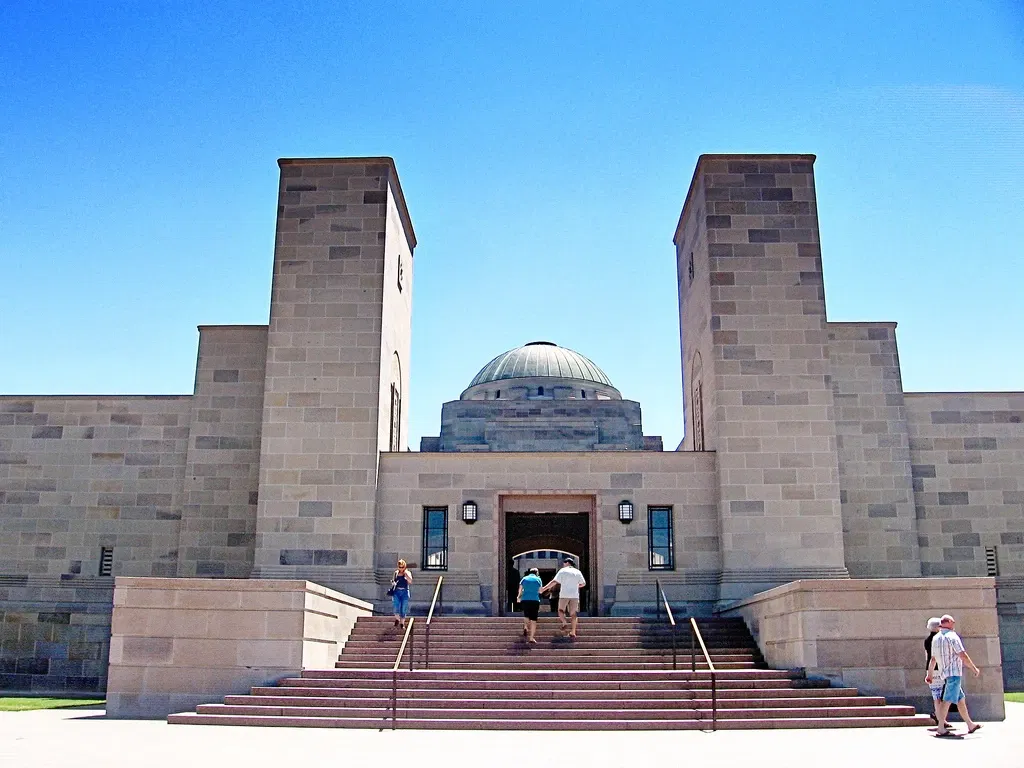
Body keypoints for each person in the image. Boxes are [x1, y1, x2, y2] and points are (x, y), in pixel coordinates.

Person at [926, 614, 982, 737]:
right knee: (947, 700)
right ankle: (941, 728)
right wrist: (974, 668)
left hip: (945, 674)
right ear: (950, 622)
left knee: (960, 699)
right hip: (954, 674)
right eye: (953, 622)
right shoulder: (952, 636)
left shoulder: (936, 638)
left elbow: (933, 659)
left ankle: (970, 724)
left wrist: (929, 674)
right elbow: (963, 655)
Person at [540, 557, 586, 639]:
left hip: (564, 594)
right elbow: (583, 584)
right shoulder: (577, 572)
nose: (563, 564)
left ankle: (564, 622)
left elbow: (554, 582)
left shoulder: (562, 571)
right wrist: (575, 586)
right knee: (573, 613)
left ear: (567, 563)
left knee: (560, 610)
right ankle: (573, 631)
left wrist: (544, 588)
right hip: (574, 595)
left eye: (564, 562)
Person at [924, 617, 955, 730]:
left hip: (931, 669)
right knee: (944, 696)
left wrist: (929, 673)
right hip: (940, 669)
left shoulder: (927, 640)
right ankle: (941, 719)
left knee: (936, 697)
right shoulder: (939, 639)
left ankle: (939, 717)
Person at [517, 567, 543, 644]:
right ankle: (531, 638)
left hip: (525, 599)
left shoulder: (524, 579)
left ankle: (525, 626)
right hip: (535, 600)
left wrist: (519, 597)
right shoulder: (538, 579)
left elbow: (520, 589)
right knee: (534, 619)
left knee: (526, 615)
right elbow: (540, 591)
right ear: (537, 573)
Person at [390, 559, 412, 629]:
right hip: (397, 591)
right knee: (396, 606)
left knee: (403, 608)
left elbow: (410, 581)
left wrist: (405, 574)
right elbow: (393, 580)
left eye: (402, 567)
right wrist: (393, 582)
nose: (401, 568)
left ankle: (402, 624)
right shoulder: (396, 573)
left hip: (405, 591)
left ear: (405, 567)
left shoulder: (407, 573)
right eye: (400, 567)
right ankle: (397, 619)